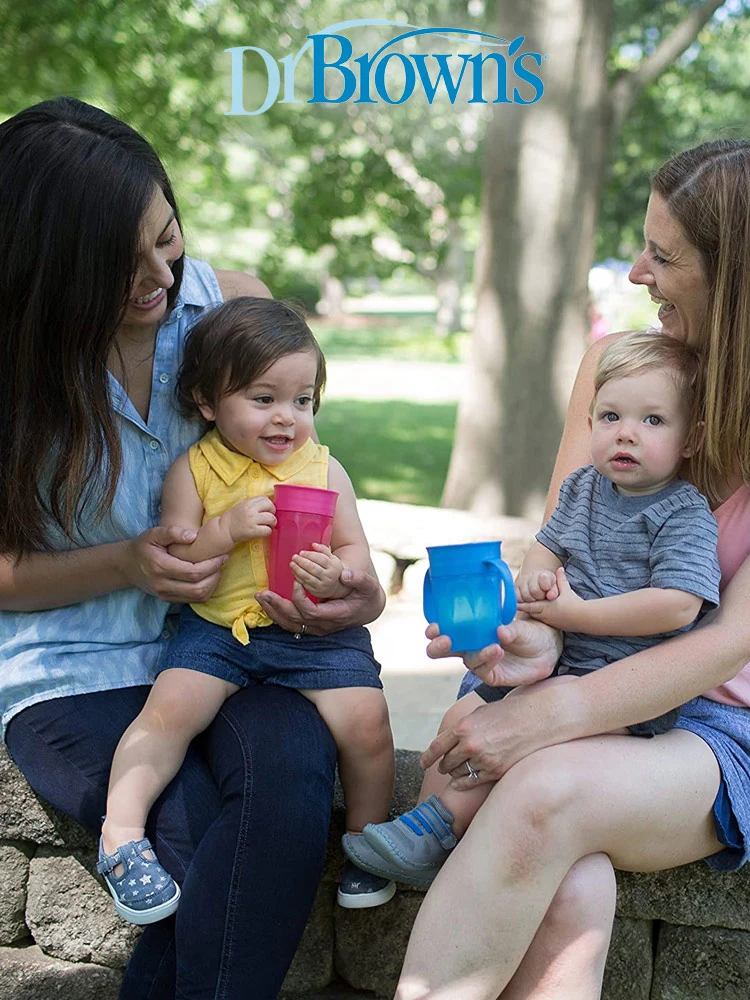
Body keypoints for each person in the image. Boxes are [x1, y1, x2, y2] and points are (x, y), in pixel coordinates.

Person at [0, 97, 385, 1000]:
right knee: (188, 844)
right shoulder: (16, 371)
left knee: (292, 785)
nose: (156, 276)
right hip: (72, 664)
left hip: (236, 641)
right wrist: (128, 562)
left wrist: (355, 593)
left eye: (164, 237)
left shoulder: (230, 309)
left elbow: (315, 480)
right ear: (45, 268)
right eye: (117, 261)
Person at [391, 139, 750, 1000]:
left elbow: (730, 640)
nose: (636, 272)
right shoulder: (618, 370)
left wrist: (551, 717)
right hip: (586, 674)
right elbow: (560, 564)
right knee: (567, 882)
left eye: (663, 255)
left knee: (544, 792)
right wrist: (520, 647)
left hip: (717, 726)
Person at [343, 331, 721, 885]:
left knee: (517, 750)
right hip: (559, 662)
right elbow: (547, 546)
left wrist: (572, 615)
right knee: (461, 718)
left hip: (623, 691)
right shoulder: (584, 489)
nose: (627, 434)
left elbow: (677, 606)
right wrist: (536, 583)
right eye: (611, 416)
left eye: (654, 421)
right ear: (589, 424)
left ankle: (437, 826)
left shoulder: (682, 512)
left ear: (691, 439)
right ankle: (423, 845)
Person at [99, 296, 395, 919]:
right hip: (220, 630)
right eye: (263, 400)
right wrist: (225, 529)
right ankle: (121, 837)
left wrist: (340, 575)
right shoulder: (197, 470)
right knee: (168, 712)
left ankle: (368, 844)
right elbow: (182, 558)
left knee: (366, 724)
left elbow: (357, 553)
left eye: (303, 401)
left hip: (316, 634)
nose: (287, 419)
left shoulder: (325, 470)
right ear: (208, 403)